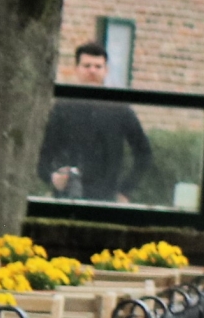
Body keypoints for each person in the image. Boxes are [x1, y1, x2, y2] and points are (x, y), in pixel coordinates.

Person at [36, 40, 153, 202]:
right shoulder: (62, 107)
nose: (92, 71)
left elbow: (144, 153)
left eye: (98, 66)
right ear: (76, 69)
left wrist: (126, 190)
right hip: (67, 197)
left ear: (106, 70)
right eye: (87, 65)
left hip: (106, 198)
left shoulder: (119, 109)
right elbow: (43, 151)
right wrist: (52, 177)